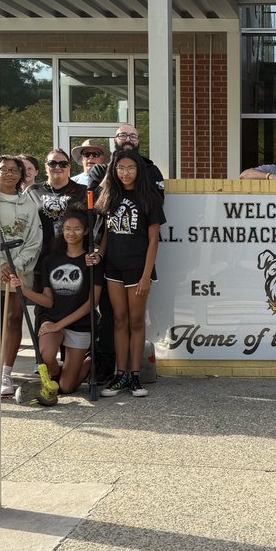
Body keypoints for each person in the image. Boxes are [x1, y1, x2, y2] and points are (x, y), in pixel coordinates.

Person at [94, 149, 165, 398]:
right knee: (119, 320)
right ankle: (121, 374)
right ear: (114, 170)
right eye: (121, 168)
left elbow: (154, 240)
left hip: (138, 268)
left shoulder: (149, 197)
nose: (125, 173)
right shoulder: (110, 194)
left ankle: (135, 376)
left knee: (136, 321)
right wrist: (100, 254)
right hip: (113, 267)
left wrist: (146, 276)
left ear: (139, 170)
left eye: (131, 168)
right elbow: (107, 232)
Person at [16, 210, 103, 396]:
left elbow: (92, 302)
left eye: (77, 229)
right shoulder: (50, 260)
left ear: (86, 231)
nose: (71, 233)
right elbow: (48, 302)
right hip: (52, 319)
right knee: (46, 356)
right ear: (62, 230)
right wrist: (25, 291)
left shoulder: (92, 263)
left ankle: (88, 362)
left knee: (66, 388)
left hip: (80, 324)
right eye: (67, 228)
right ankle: (55, 375)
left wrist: (59, 325)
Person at [0, 155, 42, 397]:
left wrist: (15, 266)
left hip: (20, 270)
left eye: (14, 170)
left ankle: (6, 372)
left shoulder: (28, 204)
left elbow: (35, 239)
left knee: (14, 319)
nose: (9, 174)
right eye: (3, 169)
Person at [28, 148, 87, 256]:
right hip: (40, 255)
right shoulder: (33, 191)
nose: (58, 167)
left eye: (63, 164)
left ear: (69, 167)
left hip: (74, 255)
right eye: (52, 163)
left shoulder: (83, 191)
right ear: (46, 167)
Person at [86, 125, 165, 194]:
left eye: (133, 136)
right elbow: (91, 200)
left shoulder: (151, 170)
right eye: (123, 135)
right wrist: (110, 172)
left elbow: (157, 202)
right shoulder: (99, 170)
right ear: (115, 140)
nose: (128, 139)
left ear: (138, 141)